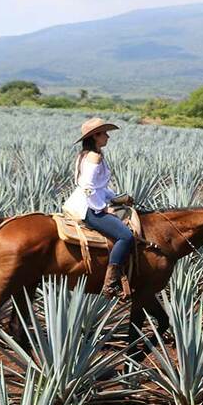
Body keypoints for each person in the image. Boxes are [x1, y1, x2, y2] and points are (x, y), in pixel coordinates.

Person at [63, 117, 135, 298]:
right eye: (104, 133)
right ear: (95, 136)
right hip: (88, 207)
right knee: (126, 236)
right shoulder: (94, 156)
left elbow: (99, 186)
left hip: (81, 202)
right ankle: (110, 284)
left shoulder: (86, 154)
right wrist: (103, 208)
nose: (108, 137)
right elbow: (88, 186)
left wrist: (118, 198)